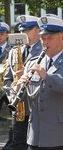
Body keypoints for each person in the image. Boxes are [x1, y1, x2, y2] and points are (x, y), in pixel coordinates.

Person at [15, 14, 63, 150]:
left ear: (62, 37)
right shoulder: (33, 61)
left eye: (50, 38)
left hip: (58, 134)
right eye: (43, 38)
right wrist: (20, 87)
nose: (45, 42)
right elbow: (25, 98)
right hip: (35, 134)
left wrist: (46, 76)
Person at [3, 15, 42, 150]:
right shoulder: (14, 51)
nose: (23, 34)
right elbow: (7, 79)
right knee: (18, 144)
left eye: (28, 30)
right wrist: (13, 96)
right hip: (19, 108)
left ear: (38, 30)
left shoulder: (44, 50)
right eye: (21, 30)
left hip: (36, 108)